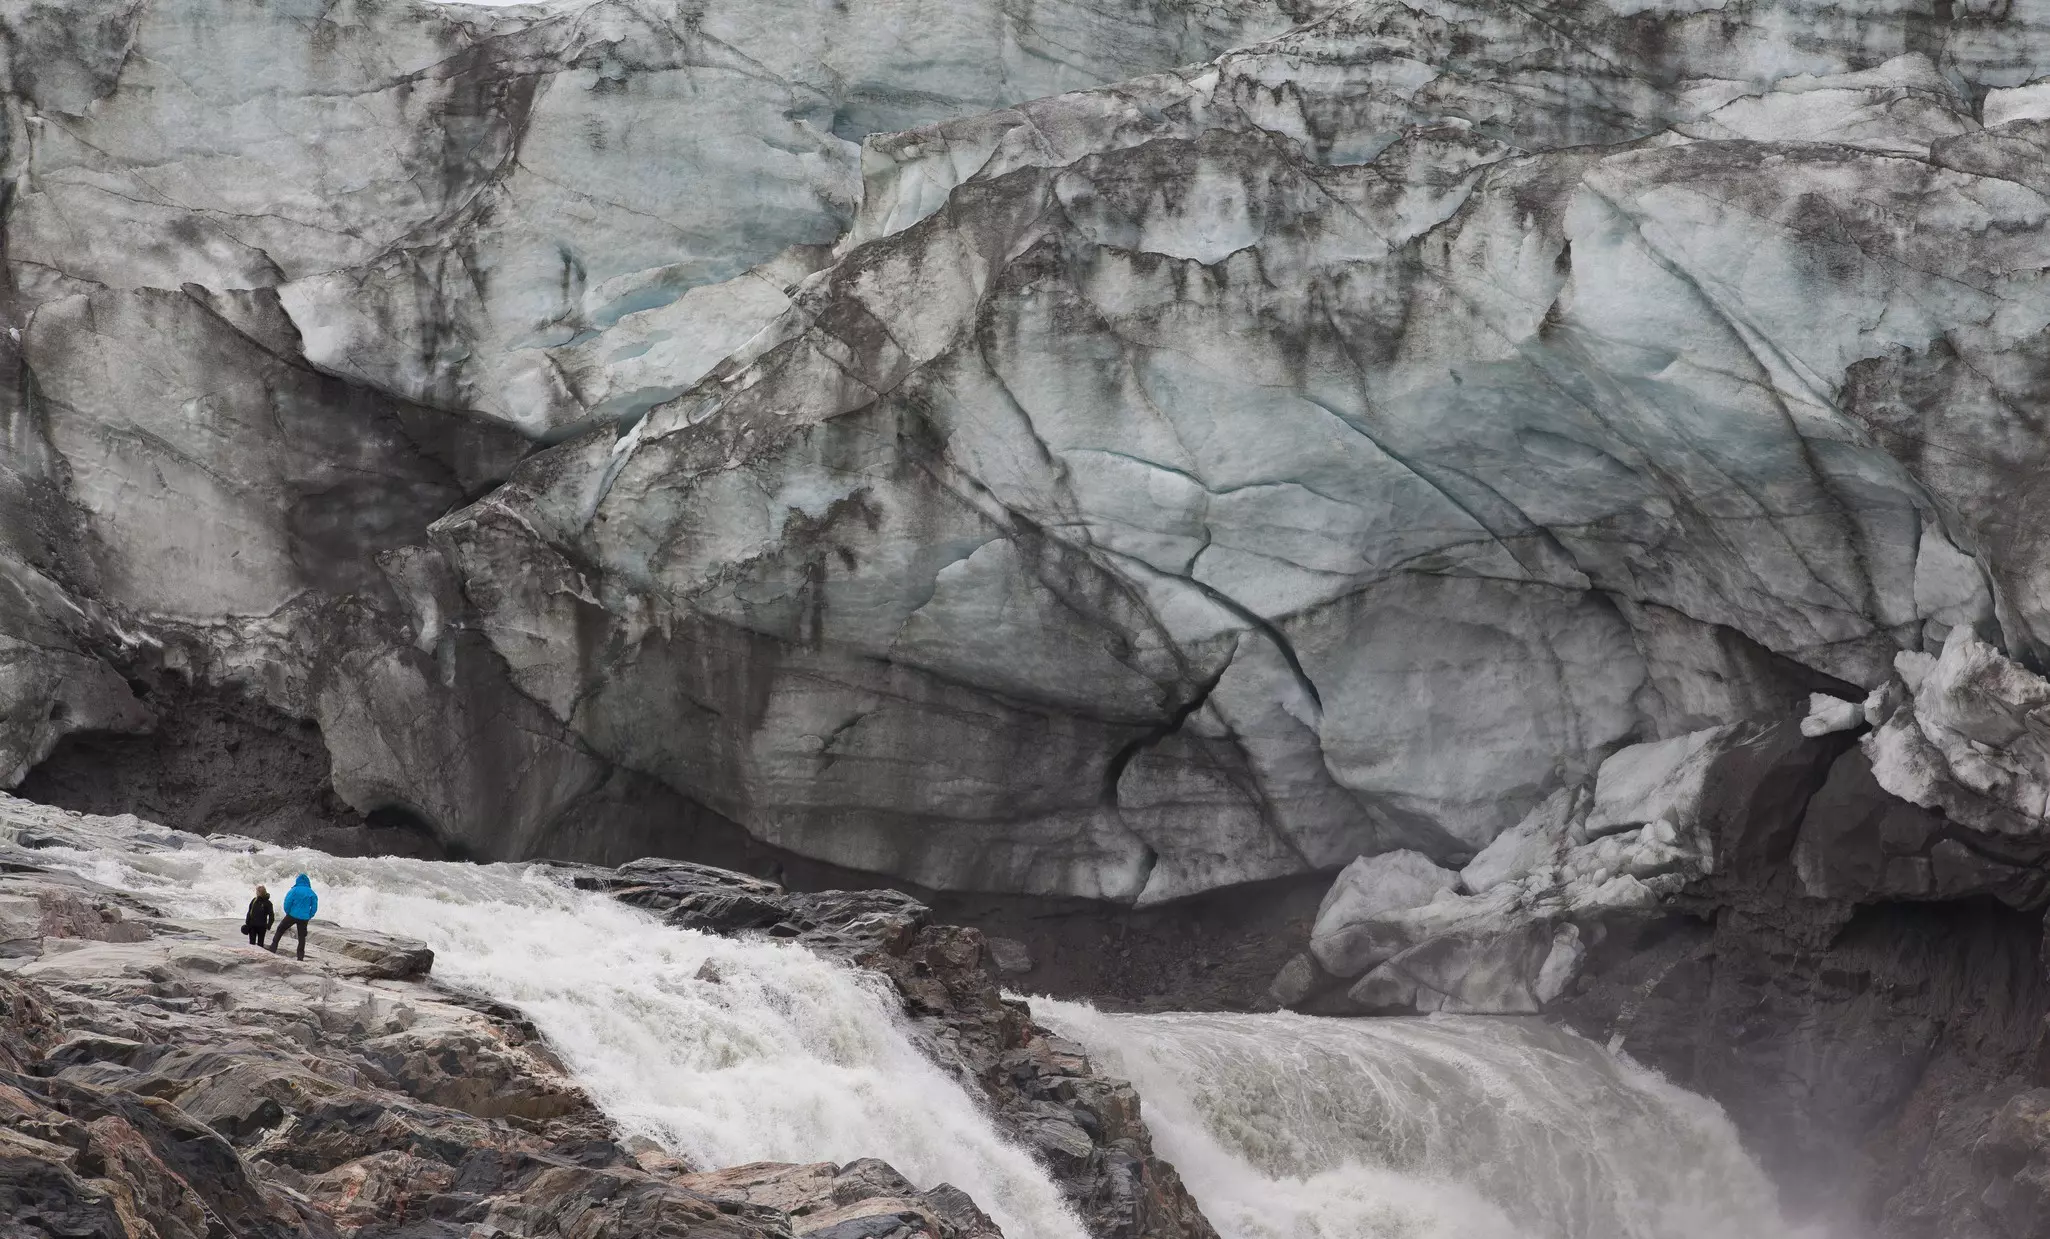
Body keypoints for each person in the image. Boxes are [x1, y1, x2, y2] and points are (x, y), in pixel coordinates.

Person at [269, 873, 318, 961]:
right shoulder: (311, 893)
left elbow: (287, 902)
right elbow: (314, 907)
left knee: (280, 929)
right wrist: (309, 915)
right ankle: (300, 957)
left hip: (292, 915)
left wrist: (288, 912)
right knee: (301, 937)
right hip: (304, 918)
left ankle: (273, 948)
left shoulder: (294, 890)